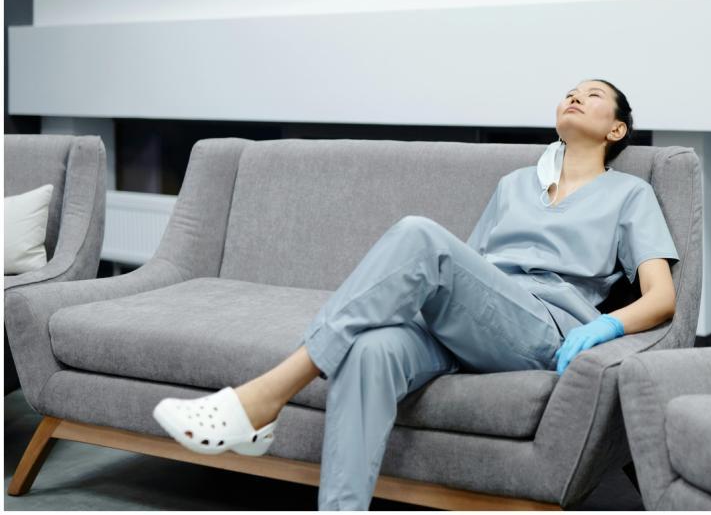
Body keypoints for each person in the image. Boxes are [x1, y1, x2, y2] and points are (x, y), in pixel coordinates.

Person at [152, 78, 680, 509]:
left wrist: (604, 325)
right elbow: (469, 268)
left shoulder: (629, 193)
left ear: (616, 127)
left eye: (590, 95)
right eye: (569, 91)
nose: (573, 96)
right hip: (476, 319)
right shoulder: (515, 185)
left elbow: (661, 297)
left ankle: (263, 398)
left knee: (418, 233)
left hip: (542, 326)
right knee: (371, 349)